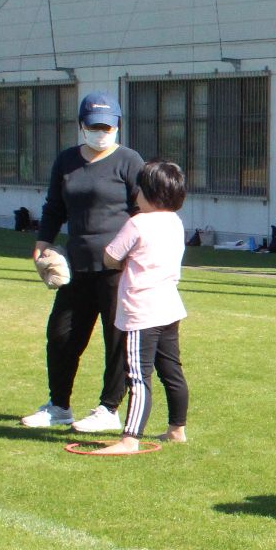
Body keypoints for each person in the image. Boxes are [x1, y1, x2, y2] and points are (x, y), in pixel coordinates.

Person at [22, 92, 147, 434]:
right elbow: (54, 207)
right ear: (81, 126)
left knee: (116, 339)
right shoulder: (66, 162)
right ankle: (59, 405)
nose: (101, 132)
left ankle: (109, 408)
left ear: (118, 126)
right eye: (94, 126)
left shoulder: (130, 161)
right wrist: (43, 243)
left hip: (117, 269)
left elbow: (143, 211)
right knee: (61, 335)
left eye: (107, 126)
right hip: (76, 265)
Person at [91, 161, 191, 455]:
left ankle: (130, 438)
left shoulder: (138, 222)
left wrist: (119, 258)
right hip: (169, 308)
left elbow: (111, 256)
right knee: (171, 370)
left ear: (149, 193)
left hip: (141, 311)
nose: (135, 196)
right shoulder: (175, 222)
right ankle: (177, 429)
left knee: (138, 375)